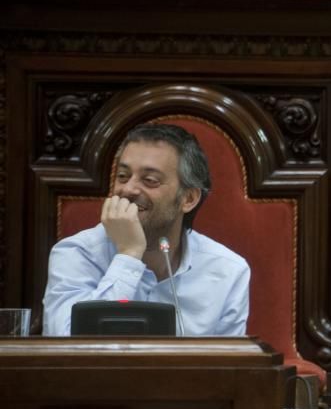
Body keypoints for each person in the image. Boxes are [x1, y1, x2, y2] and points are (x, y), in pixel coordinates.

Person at [43, 123, 250, 336]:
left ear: (188, 198)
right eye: (122, 176)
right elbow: (68, 352)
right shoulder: (76, 253)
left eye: (150, 180)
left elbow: (230, 365)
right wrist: (128, 255)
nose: (128, 189)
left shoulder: (228, 270)